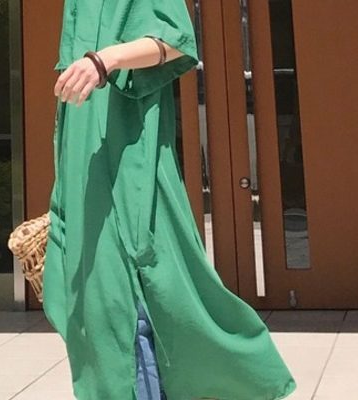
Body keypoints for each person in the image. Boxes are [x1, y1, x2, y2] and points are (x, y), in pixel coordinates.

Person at [43, 1, 298, 399]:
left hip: (127, 163)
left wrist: (106, 59)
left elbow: (175, 39)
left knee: (133, 302)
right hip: (81, 173)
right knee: (91, 312)